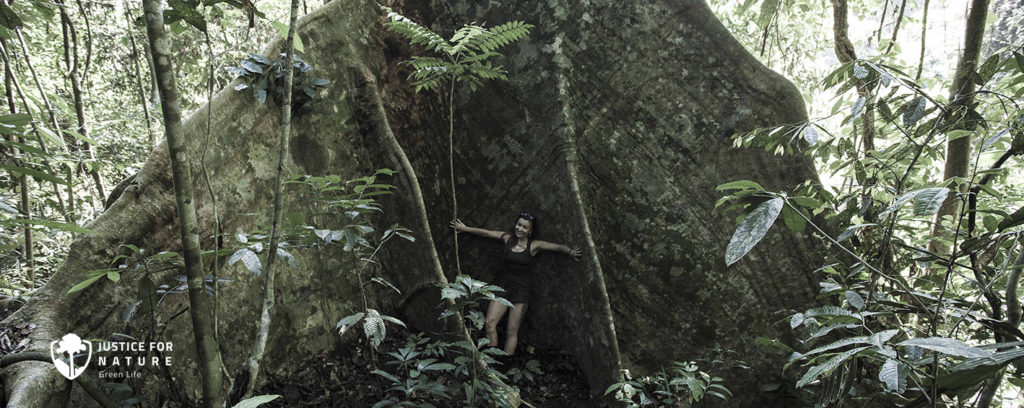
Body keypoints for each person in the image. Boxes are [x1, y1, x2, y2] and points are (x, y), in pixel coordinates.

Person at [450, 211, 581, 355]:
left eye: (525, 227)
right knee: (489, 323)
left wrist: (570, 252)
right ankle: (491, 360)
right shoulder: (508, 238)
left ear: (530, 231)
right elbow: (486, 233)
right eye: (519, 225)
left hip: (521, 291)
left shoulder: (533, 245)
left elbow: (556, 247)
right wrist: (465, 228)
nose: (520, 229)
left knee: (512, 330)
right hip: (502, 287)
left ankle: (506, 361)